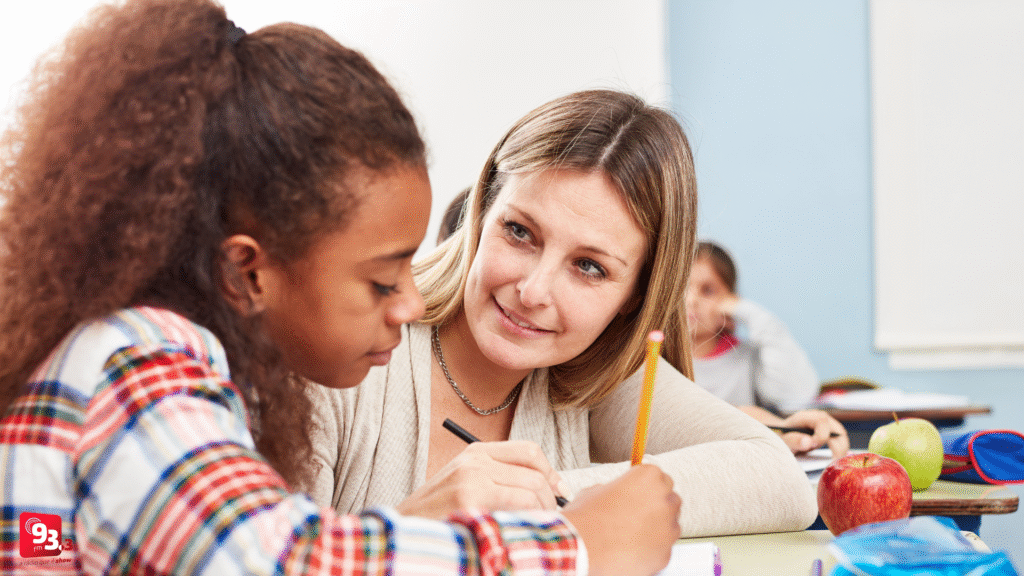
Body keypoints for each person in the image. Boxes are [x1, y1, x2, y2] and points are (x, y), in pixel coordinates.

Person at [0, 2, 681, 575]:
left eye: (591, 267)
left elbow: (57, 545)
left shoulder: (193, 370)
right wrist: (580, 547)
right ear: (248, 272)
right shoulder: (136, 359)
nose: (411, 303)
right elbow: (275, 559)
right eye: (382, 279)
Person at [307, 89, 819, 538]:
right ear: (482, 212)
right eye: (520, 232)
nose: (533, 291)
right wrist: (422, 527)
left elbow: (779, 483)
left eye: (590, 267)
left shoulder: (594, 373)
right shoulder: (344, 350)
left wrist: (536, 500)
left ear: (633, 301)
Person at [686, 241, 848, 456]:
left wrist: (746, 311)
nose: (691, 299)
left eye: (708, 290)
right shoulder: (655, 359)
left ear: (730, 299)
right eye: (681, 287)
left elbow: (797, 394)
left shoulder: (747, 358)